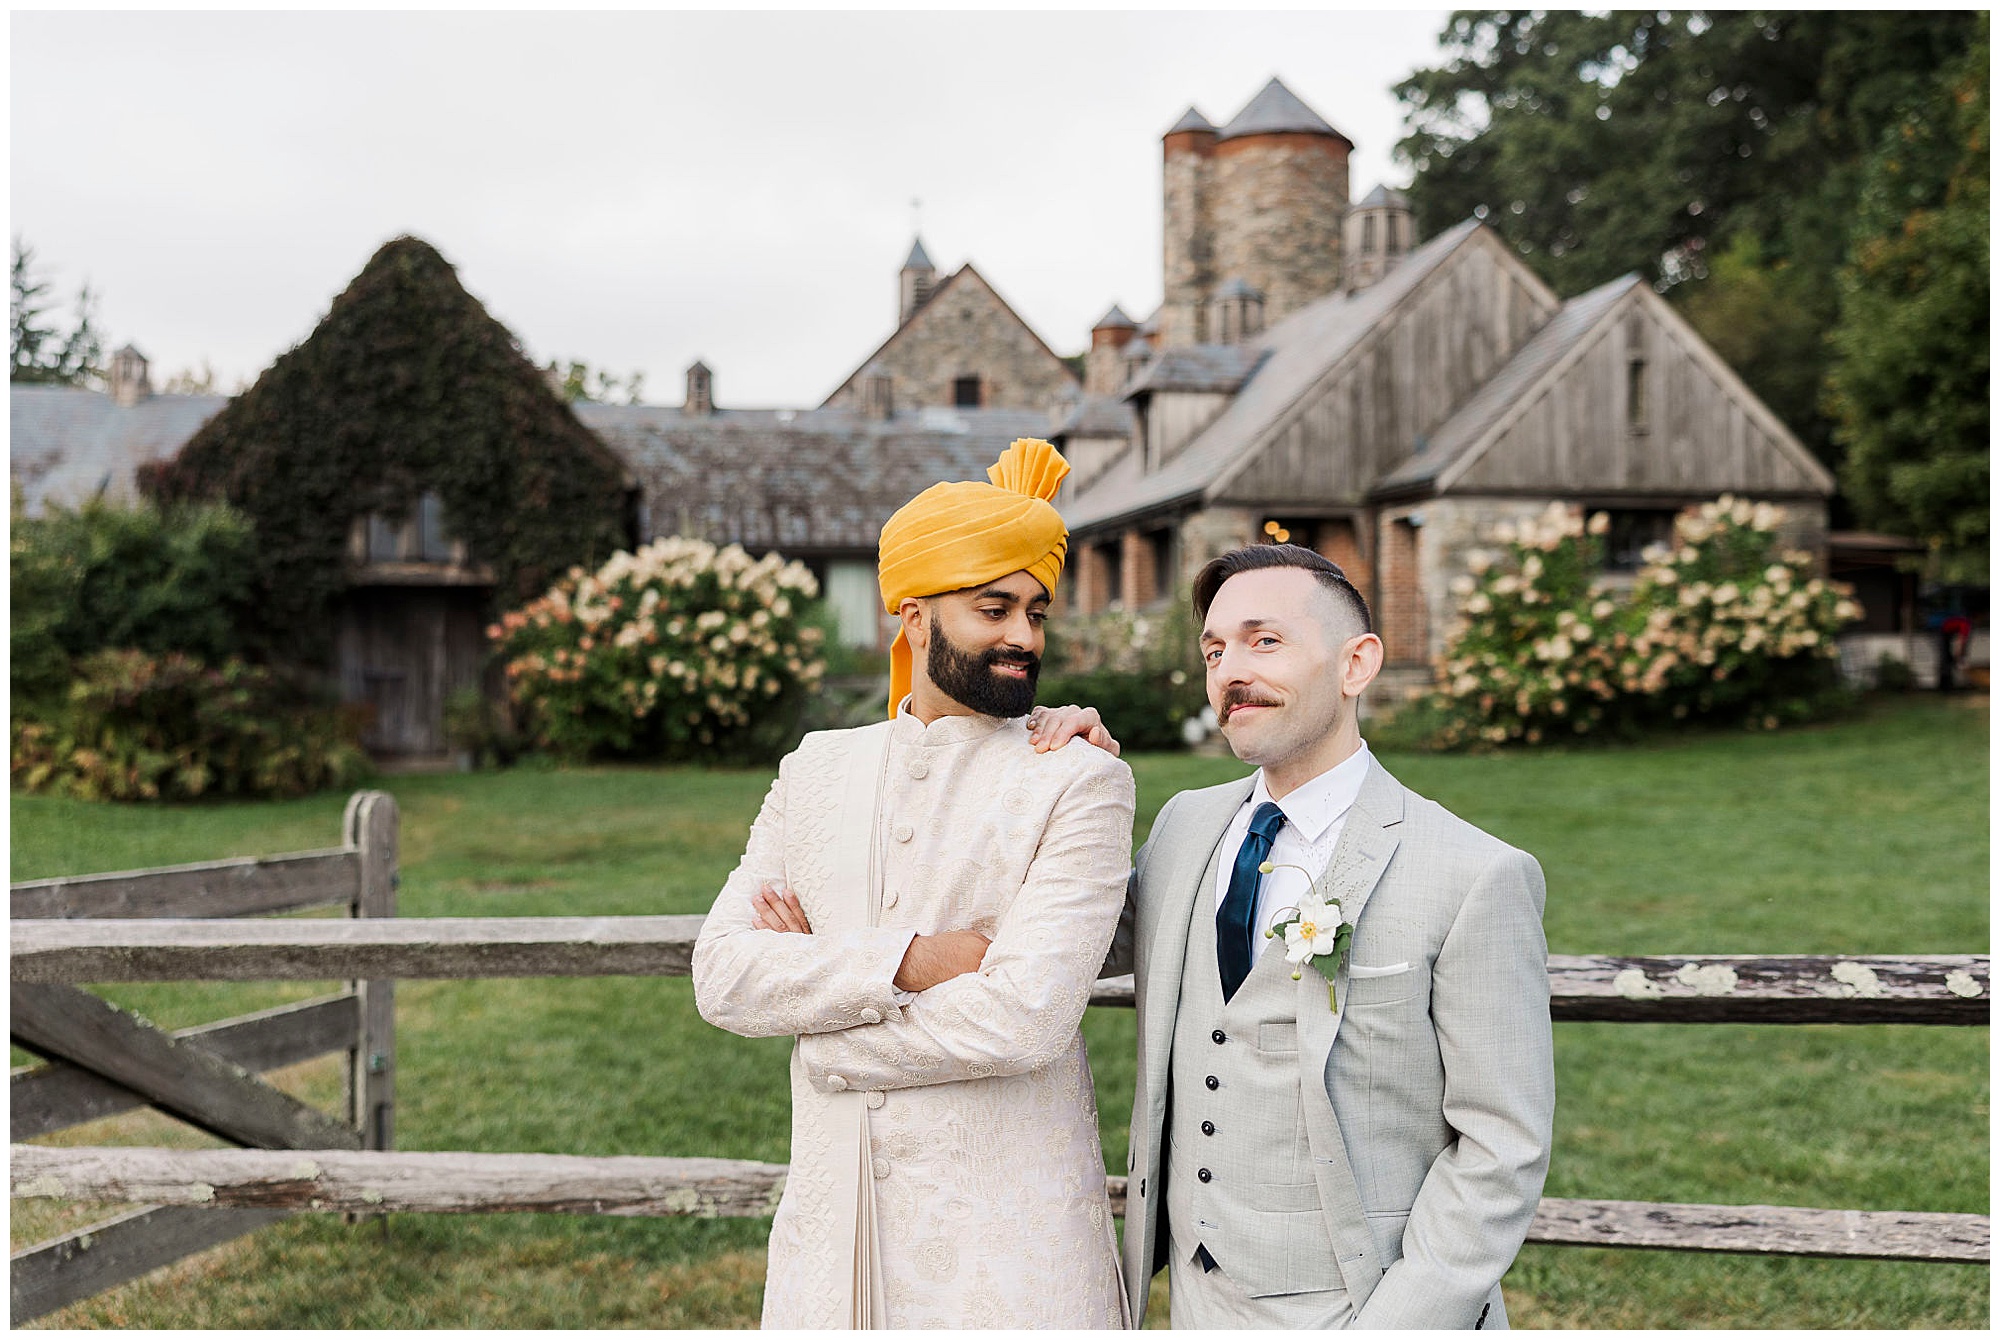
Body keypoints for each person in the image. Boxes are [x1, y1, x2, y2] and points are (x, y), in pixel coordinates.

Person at [691, 438, 1134, 1329]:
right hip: (831, 1244)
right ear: (914, 617)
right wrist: (919, 960)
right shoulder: (816, 768)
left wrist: (824, 1036)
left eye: (1036, 612)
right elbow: (723, 975)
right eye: (993, 607)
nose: (1024, 635)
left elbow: (1025, 1019)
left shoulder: (1079, 778)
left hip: (1009, 1254)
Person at [1098, 541, 1554, 1329]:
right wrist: (1041, 768)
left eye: (1263, 640)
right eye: (1214, 648)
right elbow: (1067, 944)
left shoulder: (1476, 874)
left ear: (1357, 664)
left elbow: (1501, 1146)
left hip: (1360, 1303)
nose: (1229, 670)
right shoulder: (1182, 827)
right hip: (1193, 1299)